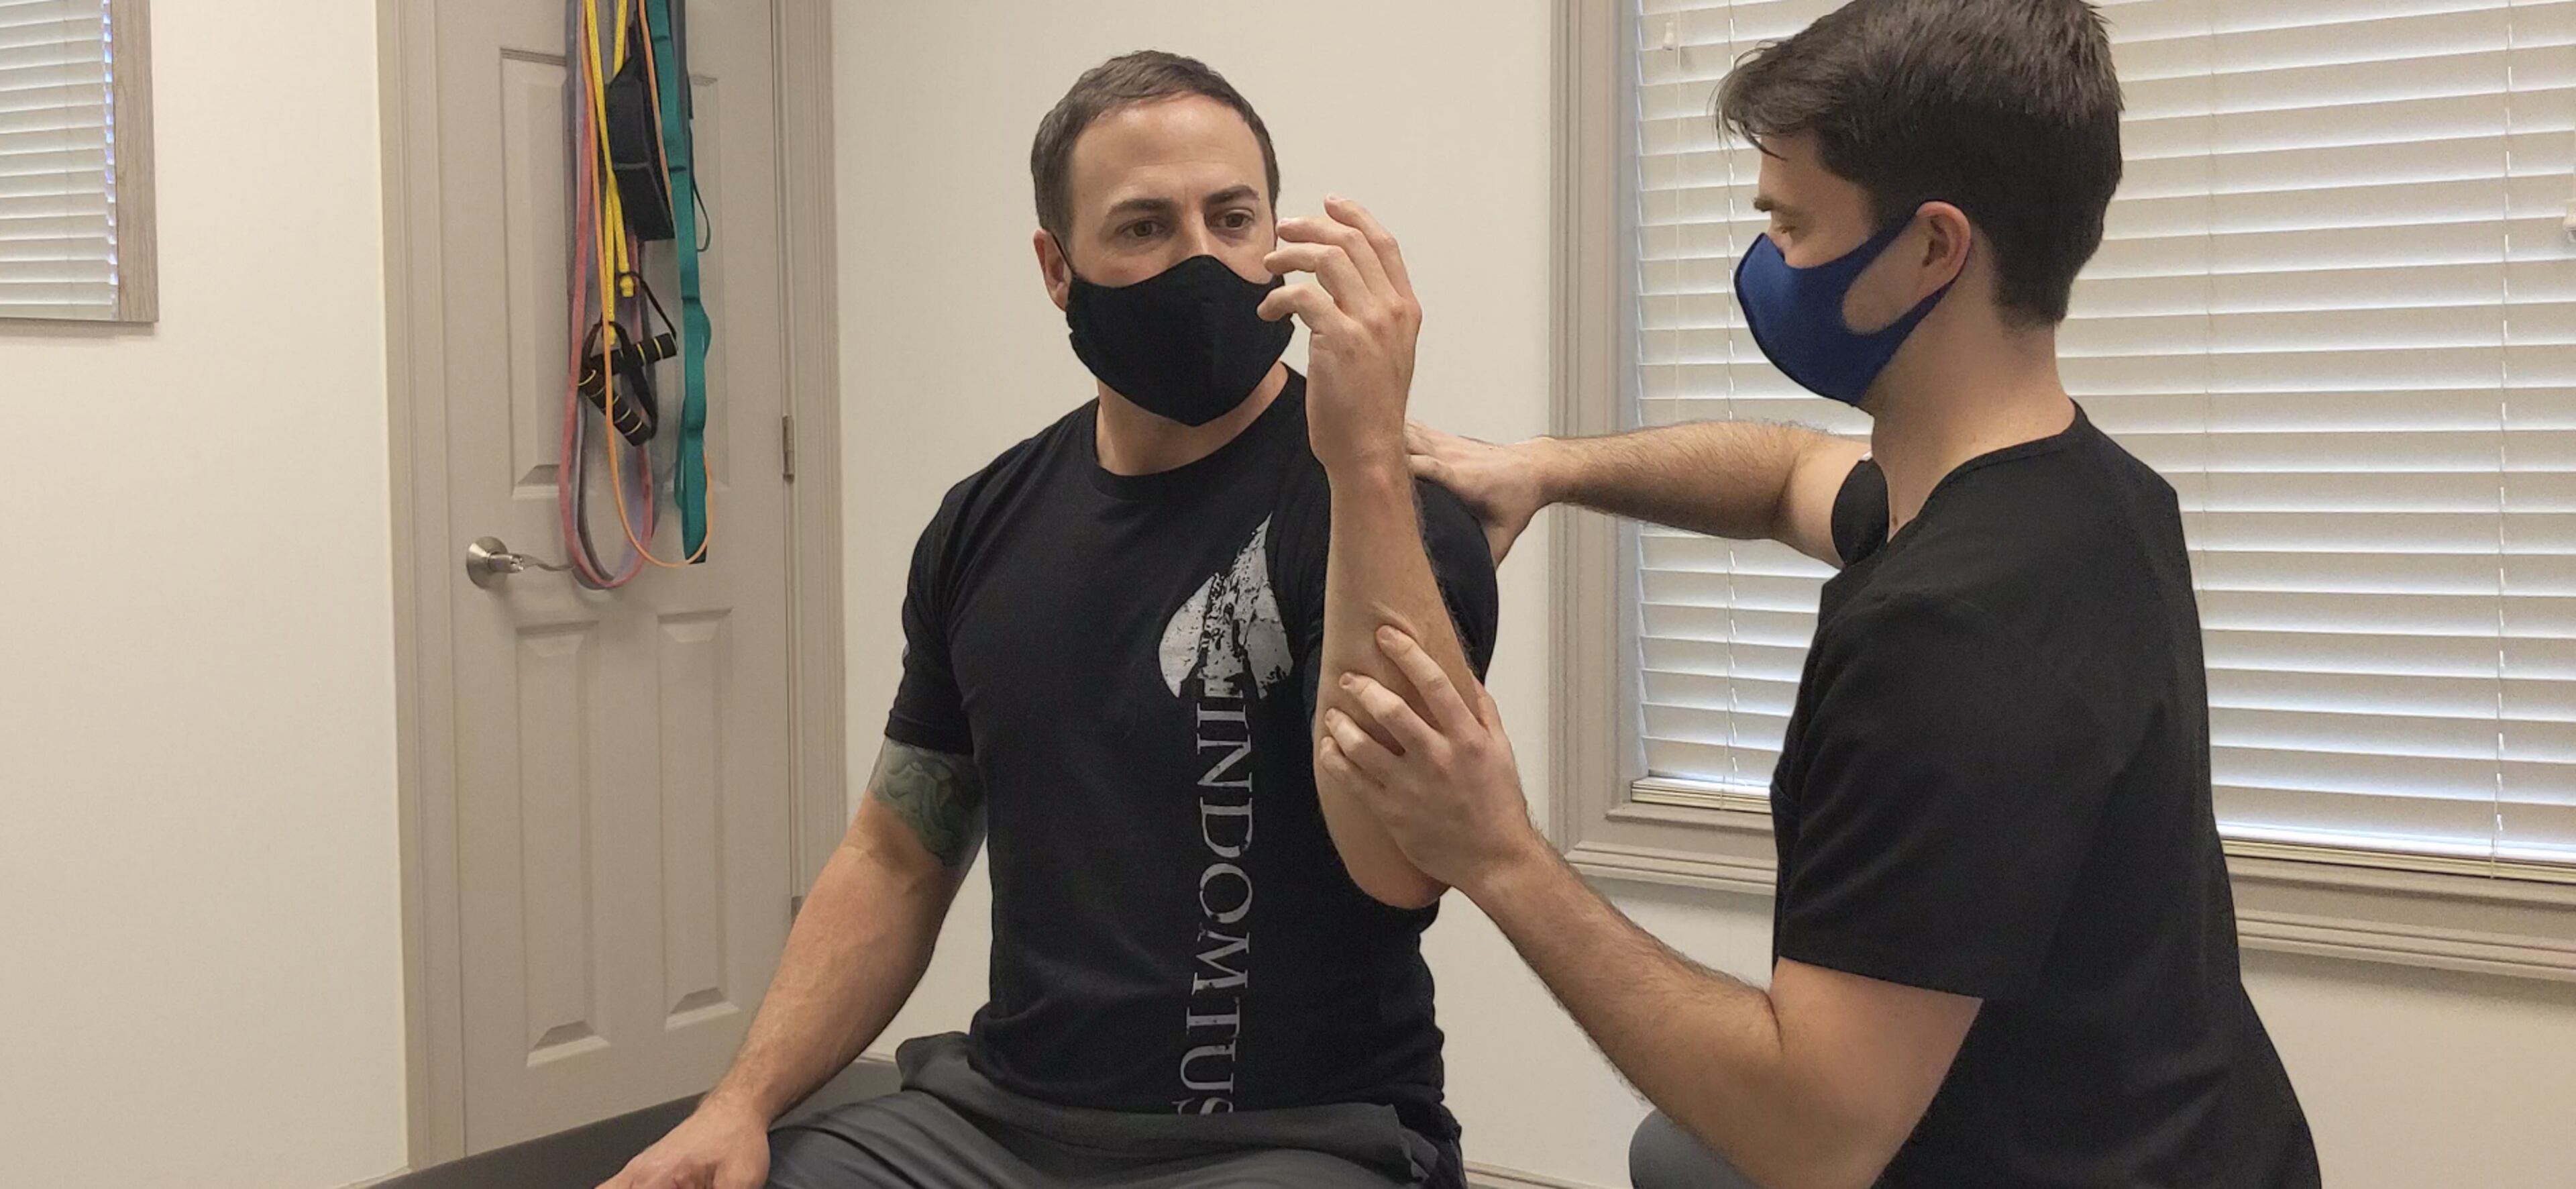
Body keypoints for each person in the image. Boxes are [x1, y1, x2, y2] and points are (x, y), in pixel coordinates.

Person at [1313, 2, 2322, 1186]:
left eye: (1791, 227)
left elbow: (1813, 1137)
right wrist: (1547, 467)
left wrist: (1498, 852)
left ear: (1934, 248)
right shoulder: (2084, 496)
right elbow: (1791, 474)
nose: (1767, 264)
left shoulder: (1949, 641)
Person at [598, 51, 1497, 1189]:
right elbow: (897, 848)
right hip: (1000, 1125)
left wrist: (1366, 454)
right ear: (1056, 268)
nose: (1203, 260)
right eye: (1144, 227)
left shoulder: (1388, 517)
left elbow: (1402, 867)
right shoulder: (984, 523)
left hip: (1298, 1139)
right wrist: (739, 1105)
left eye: (1233, 218)